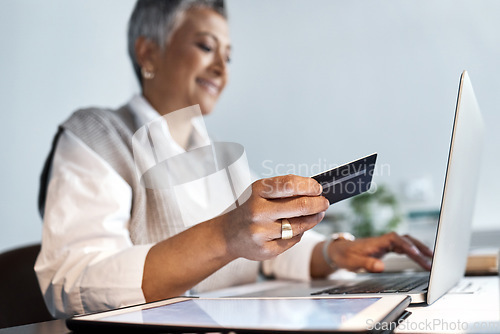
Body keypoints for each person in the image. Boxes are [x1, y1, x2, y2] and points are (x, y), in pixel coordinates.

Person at [35, 0, 432, 318]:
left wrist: (333, 252)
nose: (222, 68)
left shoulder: (221, 159)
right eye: (206, 47)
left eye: (228, 55)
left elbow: (269, 250)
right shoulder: (97, 136)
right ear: (148, 51)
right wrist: (225, 236)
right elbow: (74, 285)